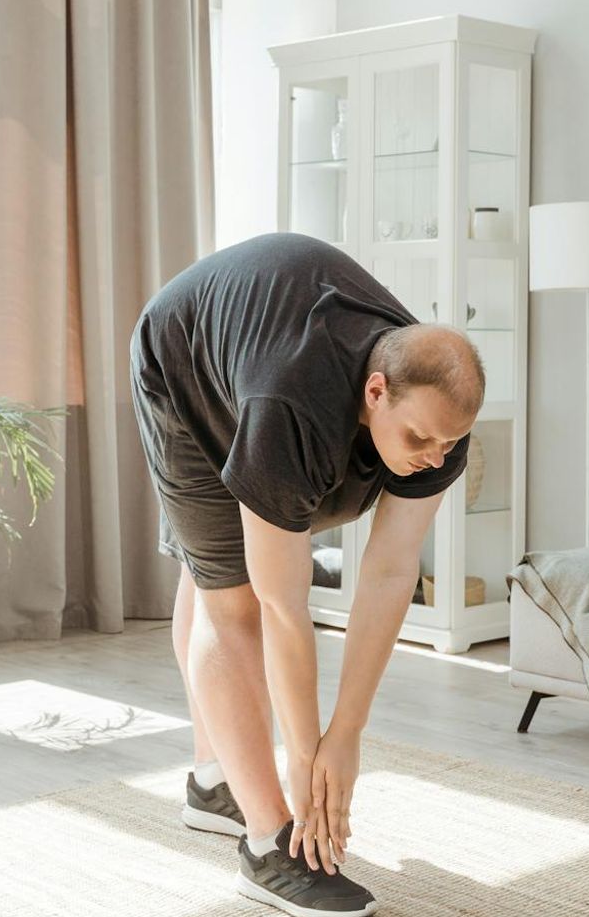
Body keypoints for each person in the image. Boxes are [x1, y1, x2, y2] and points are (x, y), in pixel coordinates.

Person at [129, 232, 484, 916]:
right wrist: (303, 758)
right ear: (376, 392)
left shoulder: (437, 421)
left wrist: (345, 735)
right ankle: (266, 846)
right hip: (182, 363)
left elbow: (388, 573)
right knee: (230, 599)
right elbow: (284, 608)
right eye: (419, 440)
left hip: (255, 347)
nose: (433, 458)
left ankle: (213, 780)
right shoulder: (294, 403)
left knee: (220, 576)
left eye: (448, 444)